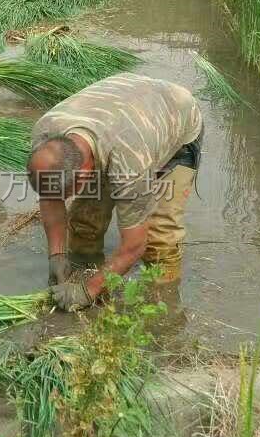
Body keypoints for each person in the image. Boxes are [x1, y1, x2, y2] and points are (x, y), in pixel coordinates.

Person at [26, 72, 203, 311]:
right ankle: (81, 271)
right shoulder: (46, 133)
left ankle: (165, 304)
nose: (60, 199)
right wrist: (56, 255)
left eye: (66, 192)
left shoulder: (130, 165)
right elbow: (50, 198)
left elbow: (134, 245)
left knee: (159, 237)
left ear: (85, 173)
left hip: (175, 118)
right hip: (123, 102)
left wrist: (88, 291)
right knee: (85, 222)